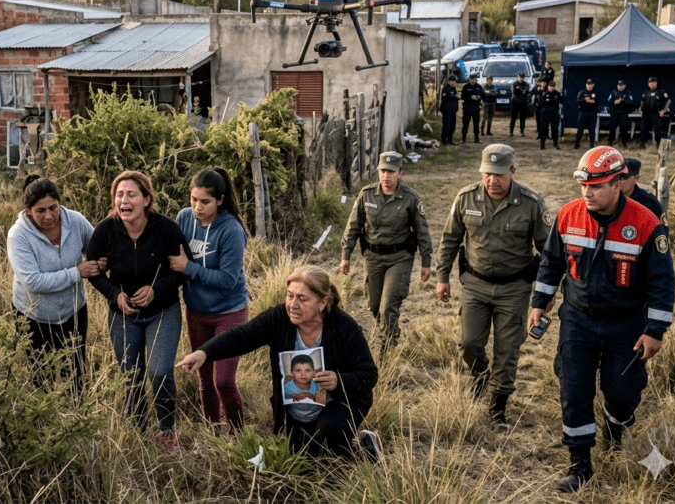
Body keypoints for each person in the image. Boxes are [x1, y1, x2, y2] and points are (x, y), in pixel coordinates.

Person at [529, 146, 675, 493]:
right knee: (574, 389)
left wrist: (655, 331)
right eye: (583, 185)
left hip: (626, 326)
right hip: (577, 321)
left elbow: (661, 283)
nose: (587, 192)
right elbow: (551, 263)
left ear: (618, 183)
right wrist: (539, 302)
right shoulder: (568, 215)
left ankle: (615, 426)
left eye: (595, 186)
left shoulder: (646, 225)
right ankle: (579, 462)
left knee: (622, 393)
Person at [178, 266, 380, 459]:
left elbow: (369, 374)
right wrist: (205, 353)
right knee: (303, 462)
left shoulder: (343, 326)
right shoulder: (279, 318)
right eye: (290, 296)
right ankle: (351, 446)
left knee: (328, 444)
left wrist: (338, 380)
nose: (293, 304)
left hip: (340, 401)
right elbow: (242, 336)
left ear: (322, 302)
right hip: (300, 409)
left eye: (302, 299)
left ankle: (364, 449)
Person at [435, 144, 550, 432]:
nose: (493, 181)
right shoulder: (465, 198)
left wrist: (545, 293)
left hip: (514, 289)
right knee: (470, 343)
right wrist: (442, 276)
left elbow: (548, 250)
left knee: (507, 350)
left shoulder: (531, 203)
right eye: (487, 174)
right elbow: (450, 238)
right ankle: (480, 374)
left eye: (499, 174)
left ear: (512, 171)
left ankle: (498, 408)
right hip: (474, 284)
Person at [86, 171, 190, 450]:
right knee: (131, 376)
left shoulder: (166, 229)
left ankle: (167, 430)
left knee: (159, 372)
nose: (124, 200)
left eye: (131, 194)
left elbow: (183, 270)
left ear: (146, 199)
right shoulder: (106, 230)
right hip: (122, 316)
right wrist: (114, 294)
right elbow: (93, 270)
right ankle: (138, 430)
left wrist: (157, 290)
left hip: (162, 312)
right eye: (119, 195)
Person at [8, 175, 103, 395]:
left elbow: (96, 247)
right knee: (42, 376)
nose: (49, 216)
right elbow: (33, 282)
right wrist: (76, 273)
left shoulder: (76, 221)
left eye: (53, 207)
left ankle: (78, 418)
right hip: (34, 315)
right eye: (40, 210)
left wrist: (102, 261)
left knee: (76, 371)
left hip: (74, 311)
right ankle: (47, 425)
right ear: (29, 210)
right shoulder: (18, 235)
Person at [171, 167, 249, 432]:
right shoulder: (184, 218)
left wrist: (188, 268)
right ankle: (213, 434)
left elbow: (228, 280)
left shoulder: (231, 230)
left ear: (219, 200)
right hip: (197, 311)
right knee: (204, 379)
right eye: (194, 199)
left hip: (229, 311)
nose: (197, 207)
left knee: (224, 381)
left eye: (205, 202)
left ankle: (239, 436)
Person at [341, 152, 432, 355]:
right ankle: (390, 331)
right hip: (372, 257)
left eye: (391, 172)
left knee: (388, 307)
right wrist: (346, 255)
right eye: (383, 171)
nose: (386, 176)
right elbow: (353, 226)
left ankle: (387, 350)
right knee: (374, 306)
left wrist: (426, 261)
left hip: (399, 258)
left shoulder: (410, 198)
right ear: (378, 171)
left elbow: (422, 232)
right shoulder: (366, 194)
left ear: (399, 173)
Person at [639, 76, 671, 149]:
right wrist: (640, 109)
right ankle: (642, 144)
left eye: (653, 82)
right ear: (648, 84)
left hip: (656, 113)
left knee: (657, 130)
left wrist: (664, 110)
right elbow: (642, 101)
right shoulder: (646, 92)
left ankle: (658, 145)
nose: (651, 84)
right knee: (643, 128)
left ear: (656, 83)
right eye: (650, 82)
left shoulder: (661, 91)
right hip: (646, 113)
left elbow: (668, 101)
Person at [607, 80, 635, 148]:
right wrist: (614, 102)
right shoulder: (613, 92)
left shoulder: (628, 93)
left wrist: (623, 101)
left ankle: (624, 144)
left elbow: (631, 102)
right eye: (619, 85)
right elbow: (609, 101)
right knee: (612, 129)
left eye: (622, 85)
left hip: (623, 114)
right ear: (617, 86)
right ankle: (610, 143)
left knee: (624, 130)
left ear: (624, 86)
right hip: (614, 114)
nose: (620, 87)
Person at [575, 79, 599, 150]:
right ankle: (577, 144)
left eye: (591, 84)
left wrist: (593, 102)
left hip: (592, 113)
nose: (589, 85)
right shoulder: (582, 92)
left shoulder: (596, 93)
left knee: (592, 130)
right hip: (583, 113)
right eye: (588, 84)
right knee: (580, 129)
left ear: (593, 85)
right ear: (586, 85)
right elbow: (578, 101)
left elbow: (598, 102)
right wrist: (585, 100)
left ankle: (591, 145)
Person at [539, 78, 563, 150]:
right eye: (550, 86)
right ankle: (542, 145)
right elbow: (541, 103)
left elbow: (561, 102)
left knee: (554, 129)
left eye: (553, 86)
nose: (551, 87)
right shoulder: (544, 94)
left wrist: (549, 101)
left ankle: (555, 145)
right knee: (543, 129)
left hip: (554, 114)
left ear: (554, 87)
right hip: (545, 114)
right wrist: (551, 101)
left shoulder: (557, 94)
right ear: (548, 87)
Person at [460, 73, 484, 143]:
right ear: (469, 79)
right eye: (472, 79)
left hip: (476, 108)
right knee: (465, 124)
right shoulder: (466, 86)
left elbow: (483, 95)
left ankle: (476, 139)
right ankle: (463, 139)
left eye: (475, 79)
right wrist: (470, 97)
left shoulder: (479, 87)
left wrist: (479, 97)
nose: (473, 81)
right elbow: (462, 96)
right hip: (467, 108)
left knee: (476, 124)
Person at [440, 75, 460, 146]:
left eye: (455, 81)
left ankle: (450, 139)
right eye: (453, 81)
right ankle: (443, 140)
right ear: (449, 81)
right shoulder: (445, 89)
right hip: (447, 110)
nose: (454, 83)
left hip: (453, 110)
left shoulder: (454, 89)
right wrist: (455, 97)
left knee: (452, 126)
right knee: (446, 125)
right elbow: (445, 97)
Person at [509, 72, 530, 137]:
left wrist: (519, 90)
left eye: (522, 78)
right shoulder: (514, 83)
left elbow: (525, 91)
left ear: (523, 78)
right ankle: (511, 132)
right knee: (513, 118)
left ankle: (522, 131)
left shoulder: (526, 84)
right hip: (515, 102)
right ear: (518, 77)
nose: (520, 79)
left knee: (522, 118)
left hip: (523, 103)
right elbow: (514, 91)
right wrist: (521, 91)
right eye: (519, 77)